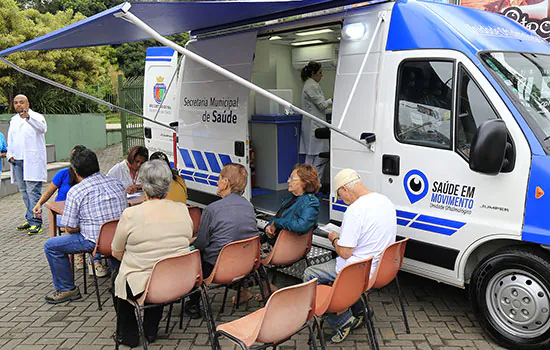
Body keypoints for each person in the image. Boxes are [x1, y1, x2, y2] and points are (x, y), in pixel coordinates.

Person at [303, 168, 396, 343]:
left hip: (357, 271)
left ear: (345, 189)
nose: (343, 201)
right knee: (331, 270)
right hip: (379, 267)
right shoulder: (384, 201)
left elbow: (345, 252)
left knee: (310, 273)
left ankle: (342, 320)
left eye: (340, 196)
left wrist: (334, 237)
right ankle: (356, 307)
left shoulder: (355, 210)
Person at [111, 159, 193, 347]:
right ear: (168, 184)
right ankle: (150, 331)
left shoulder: (131, 215)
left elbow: (116, 252)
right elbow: (187, 240)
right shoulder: (182, 209)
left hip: (146, 284)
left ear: (143, 185)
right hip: (178, 281)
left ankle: (129, 335)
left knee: (119, 279)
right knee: (160, 268)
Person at [43, 149, 127, 304]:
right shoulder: (117, 183)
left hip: (95, 242)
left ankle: (67, 289)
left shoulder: (76, 191)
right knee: (111, 241)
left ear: (75, 171)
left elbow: (70, 228)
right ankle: (119, 281)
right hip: (120, 240)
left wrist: (86, 225)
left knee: (51, 246)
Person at [185, 163, 258, 318]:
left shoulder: (212, 209)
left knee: (193, 256)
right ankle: (242, 291)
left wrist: (191, 242)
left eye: (219, 178)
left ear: (225, 183)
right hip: (244, 266)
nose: (217, 182)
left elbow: (201, 244)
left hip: (217, 269)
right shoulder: (249, 206)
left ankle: (193, 305)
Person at [7, 95, 48, 235]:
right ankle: (30, 217)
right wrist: (9, 154)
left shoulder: (37, 117)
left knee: (33, 191)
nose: (18, 105)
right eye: (16, 103)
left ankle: (36, 222)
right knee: (24, 191)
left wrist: (28, 119)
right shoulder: (13, 120)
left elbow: (42, 129)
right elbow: (11, 139)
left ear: (28, 103)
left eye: (21, 102)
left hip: (32, 161)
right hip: (17, 160)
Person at [300, 61, 332, 183]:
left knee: (310, 156)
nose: (321, 75)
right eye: (320, 73)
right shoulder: (312, 86)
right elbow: (322, 105)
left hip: (313, 124)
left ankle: (307, 183)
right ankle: (314, 183)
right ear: (313, 73)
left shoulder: (308, 84)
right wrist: (332, 100)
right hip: (315, 126)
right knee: (320, 156)